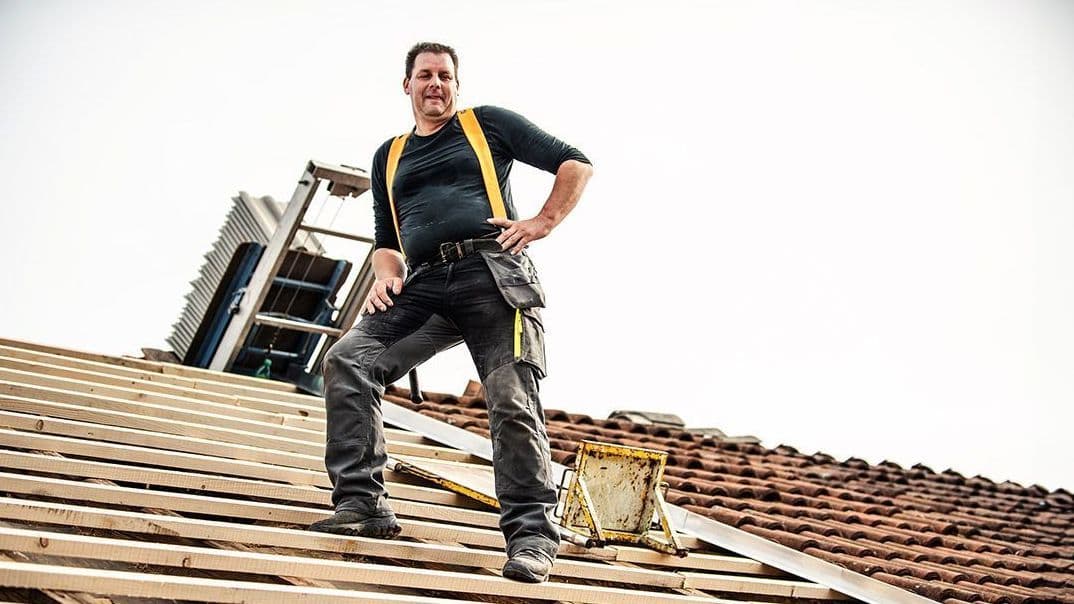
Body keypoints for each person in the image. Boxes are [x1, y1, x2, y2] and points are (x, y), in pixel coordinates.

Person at [309, 42, 592, 584]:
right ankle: (363, 506)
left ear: (455, 84)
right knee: (349, 360)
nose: (434, 83)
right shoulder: (388, 155)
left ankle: (532, 535)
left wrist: (542, 221)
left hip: (492, 276)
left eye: (444, 75)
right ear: (407, 85)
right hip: (424, 286)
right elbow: (387, 239)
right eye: (424, 75)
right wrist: (387, 274)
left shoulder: (487, 125)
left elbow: (575, 163)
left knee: (511, 398)